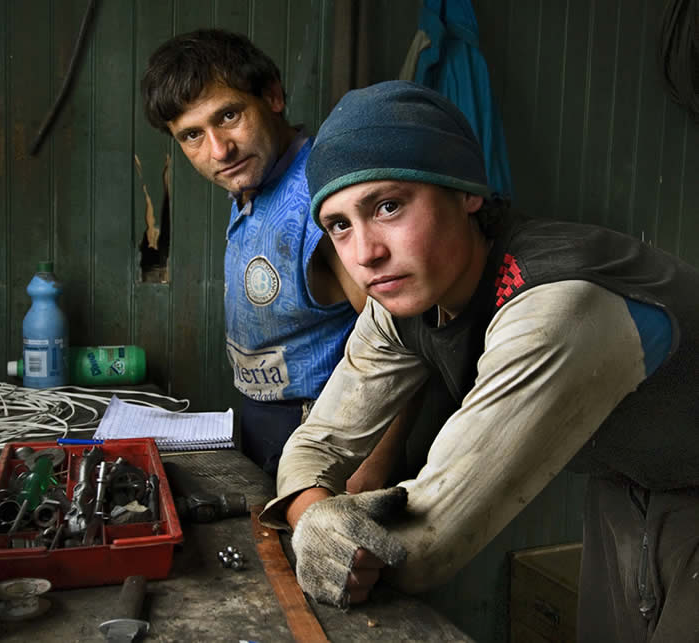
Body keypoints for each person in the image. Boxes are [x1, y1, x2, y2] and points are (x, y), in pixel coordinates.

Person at [258, 80, 699, 642]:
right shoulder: (404, 298)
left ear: (466, 193)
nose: (365, 253)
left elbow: (426, 547)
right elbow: (318, 444)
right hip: (624, 481)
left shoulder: (556, 306)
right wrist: (313, 516)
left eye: (388, 206)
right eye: (340, 225)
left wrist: (332, 531)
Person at [140, 29, 367, 478]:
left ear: (273, 96)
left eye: (228, 115)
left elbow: (403, 349)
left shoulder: (325, 198)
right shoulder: (252, 182)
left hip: (331, 441)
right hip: (266, 426)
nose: (219, 150)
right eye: (191, 136)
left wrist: (367, 475)